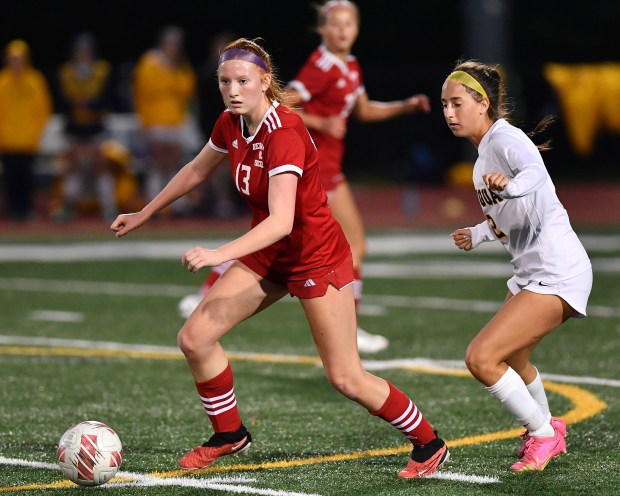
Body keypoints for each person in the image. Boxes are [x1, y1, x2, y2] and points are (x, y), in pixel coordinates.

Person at [112, 37, 448, 478]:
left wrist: (219, 254)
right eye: (224, 81)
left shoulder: (285, 132)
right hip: (270, 254)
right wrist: (145, 212)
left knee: (346, 377)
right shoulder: (231, 122)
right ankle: (229, 434)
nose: (233, 90)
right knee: (194, 338)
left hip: (315, 257)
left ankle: (429, 441)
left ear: (265, 81)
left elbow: (281, 221)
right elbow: (196, 169)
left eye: (243, 81)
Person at [178, 0, 431, 354]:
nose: (343, 30)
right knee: (326, 242)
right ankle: (347, 330)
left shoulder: (351, 66)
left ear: (357, 29)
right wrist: (321, 123)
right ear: (322, 30)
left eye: (349, 24)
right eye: (335, 24)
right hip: (314, 169)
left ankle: (208, 291)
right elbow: (282, 101)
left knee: (283, 238)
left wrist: (404, 106)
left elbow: (364, 109)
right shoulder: (322, 66)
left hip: (331, 169)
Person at [442, 60, 593, 472]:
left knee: (481, 358)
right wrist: (479, 233)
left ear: (482, 103)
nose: (449, 113)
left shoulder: (505, 139)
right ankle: (546, 429)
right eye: (444, 105)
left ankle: (543, 435)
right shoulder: (480, 162)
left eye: (456, 103)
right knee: (515, 359)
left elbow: (535, 175)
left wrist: (511, 185)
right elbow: (513, 219)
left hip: (557, 271)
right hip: (532, 272)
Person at [132, 25, 196, 214]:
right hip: (155, 119)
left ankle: (178, 205)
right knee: (157, 162)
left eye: (176, 44)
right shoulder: (150, 62)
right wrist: (143, 121)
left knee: (175, 162)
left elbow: (187, 90)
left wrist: (175, 69)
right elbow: (142, 92)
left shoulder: (180, 66)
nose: (173, 47)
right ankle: (154, 204)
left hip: (175, 119)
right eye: (170, 43)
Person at [53, 32, 115, 221]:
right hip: (75, 127)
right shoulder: (66, 72)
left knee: (100, 166)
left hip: (95, 127)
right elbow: (62, 101)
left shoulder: (102, 71)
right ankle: (68, 206)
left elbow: (107, 98)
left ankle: (108, 206)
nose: (83, 54)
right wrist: (80, 106)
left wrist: (86, 106)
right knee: (72, 167)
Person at [0, 39, 52, 222]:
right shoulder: (2, 82)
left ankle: (26, 209)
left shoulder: (35, 81)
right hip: (6, 141)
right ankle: (12, 210)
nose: (16, 63)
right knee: (10, 178)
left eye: (19, 59)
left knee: (26, 178)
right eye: (12, 59)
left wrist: (35, 133)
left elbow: (43, 110)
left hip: (28, 140)